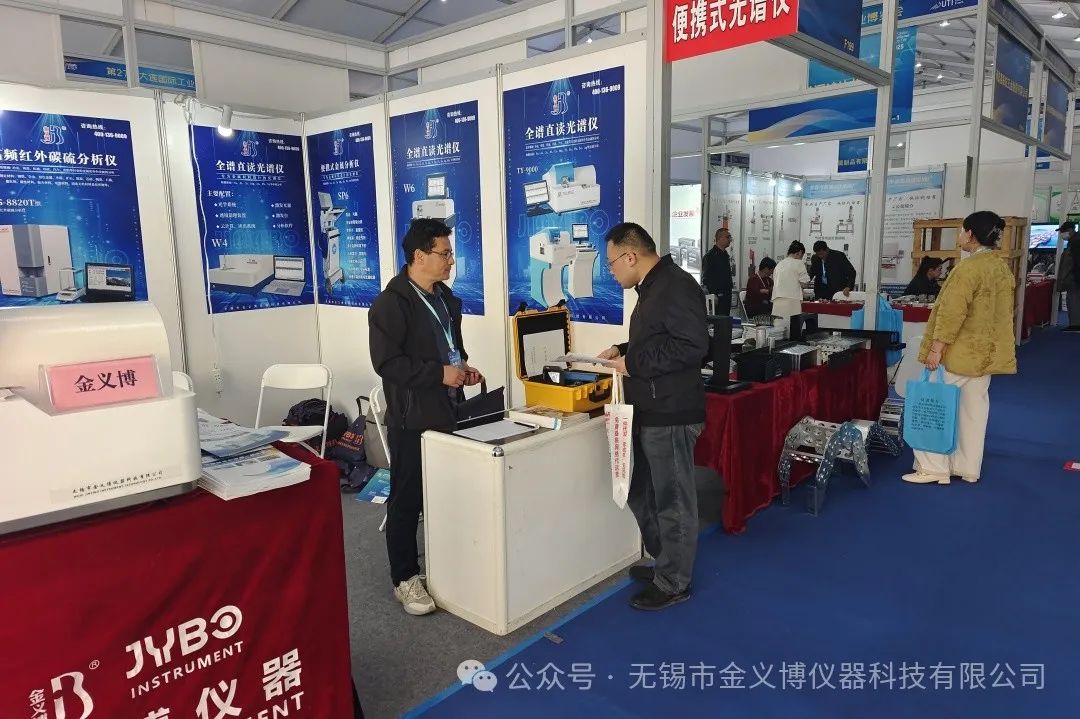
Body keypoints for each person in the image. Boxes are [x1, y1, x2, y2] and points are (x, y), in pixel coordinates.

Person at [369, 218, 483, 615]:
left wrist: (462, 367)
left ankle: (447, 562)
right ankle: (404, 578)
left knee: (449, 491)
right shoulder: (391, 304)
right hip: (412, 418)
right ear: (419, 256)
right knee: (407, 498)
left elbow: (451, 348)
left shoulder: (445, 298)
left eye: (451, 253)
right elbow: (388, 364)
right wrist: (438, 374)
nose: (451, 260)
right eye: (445, 253)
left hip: (449, 408)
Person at [597, 222, 708, 611]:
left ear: (630, 256)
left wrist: (634, 363)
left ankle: (674, 580)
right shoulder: (653, 287)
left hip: (671, 411)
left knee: (673, 500)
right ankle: (666, 563)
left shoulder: (674, 285)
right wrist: (623, 348)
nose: (611, 272)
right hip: (650, 408)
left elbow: (692, 346)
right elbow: (659, 337)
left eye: (612, 263)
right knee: (643, 490)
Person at [904, 211, 1017, 486]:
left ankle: (933, 467)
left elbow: (952, 314)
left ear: (971, 234)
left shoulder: (967, 269)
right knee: (973, 411)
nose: (960, 235)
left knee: (934, 405)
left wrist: (936, 349)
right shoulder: (1001, 268)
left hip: (959, 352)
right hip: (985, 354)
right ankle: (967, 467)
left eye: (962, 230)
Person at [771, 241, 812, 324]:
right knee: (792, 329)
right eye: (802, 256)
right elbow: (804, 284)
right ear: (799, 252)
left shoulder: (779, 264)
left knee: (779, 328)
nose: (801, 258)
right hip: (792, 302)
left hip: (777, 302)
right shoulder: (799, 263)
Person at [701, 228, 734, 314]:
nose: (730, 239)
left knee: (725, 319)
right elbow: (706, 278)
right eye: (728, 237)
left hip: (727, 294)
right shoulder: (710, 256)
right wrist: (712, 294)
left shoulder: (725, 255)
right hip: (716, 297)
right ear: (720, 238)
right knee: (718, 320)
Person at [1057, 221, 1080, 331]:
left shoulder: (1076, 243)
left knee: (1073, 300)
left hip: (1075, 278)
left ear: (1070, 230)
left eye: (1063, 231)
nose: (1062, 234)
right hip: (1075, 277)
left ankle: (1075, 325)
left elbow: (1074, 263)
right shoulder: (1074, 241)